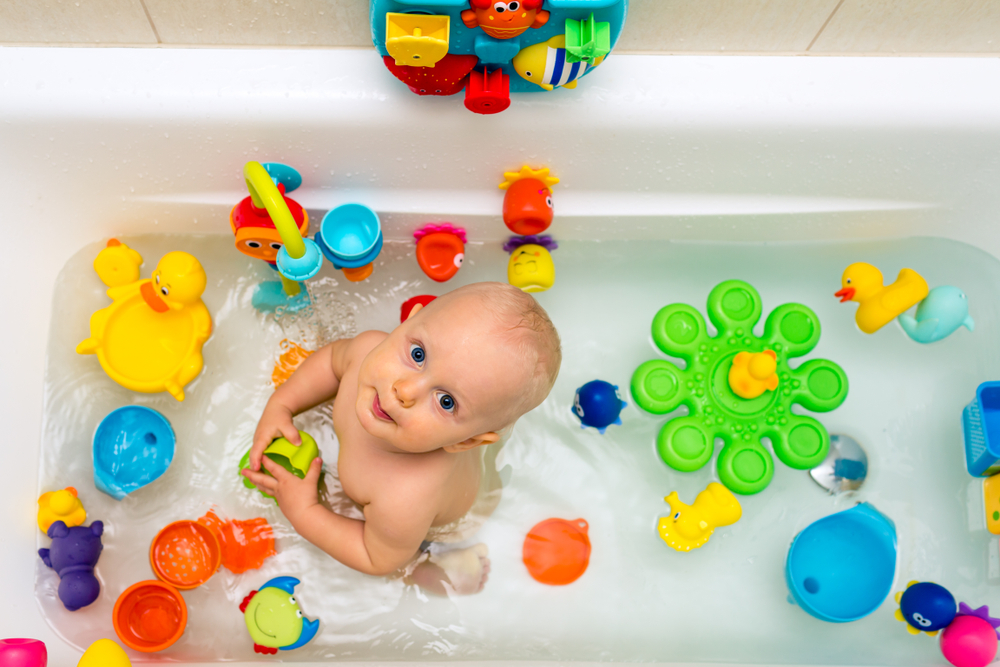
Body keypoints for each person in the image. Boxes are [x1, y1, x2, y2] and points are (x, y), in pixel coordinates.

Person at [242, 282, 561, 595]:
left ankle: (443, 565)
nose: (405, 390)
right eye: (419, 354)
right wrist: (282, 404)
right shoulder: (368, 350)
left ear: (465, 442)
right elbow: (331, 362)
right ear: (408, 321)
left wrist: (305, 509)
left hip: (443, 524)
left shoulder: (407, 496)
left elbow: (375, 557)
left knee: (404, 564)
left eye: (445, 401)